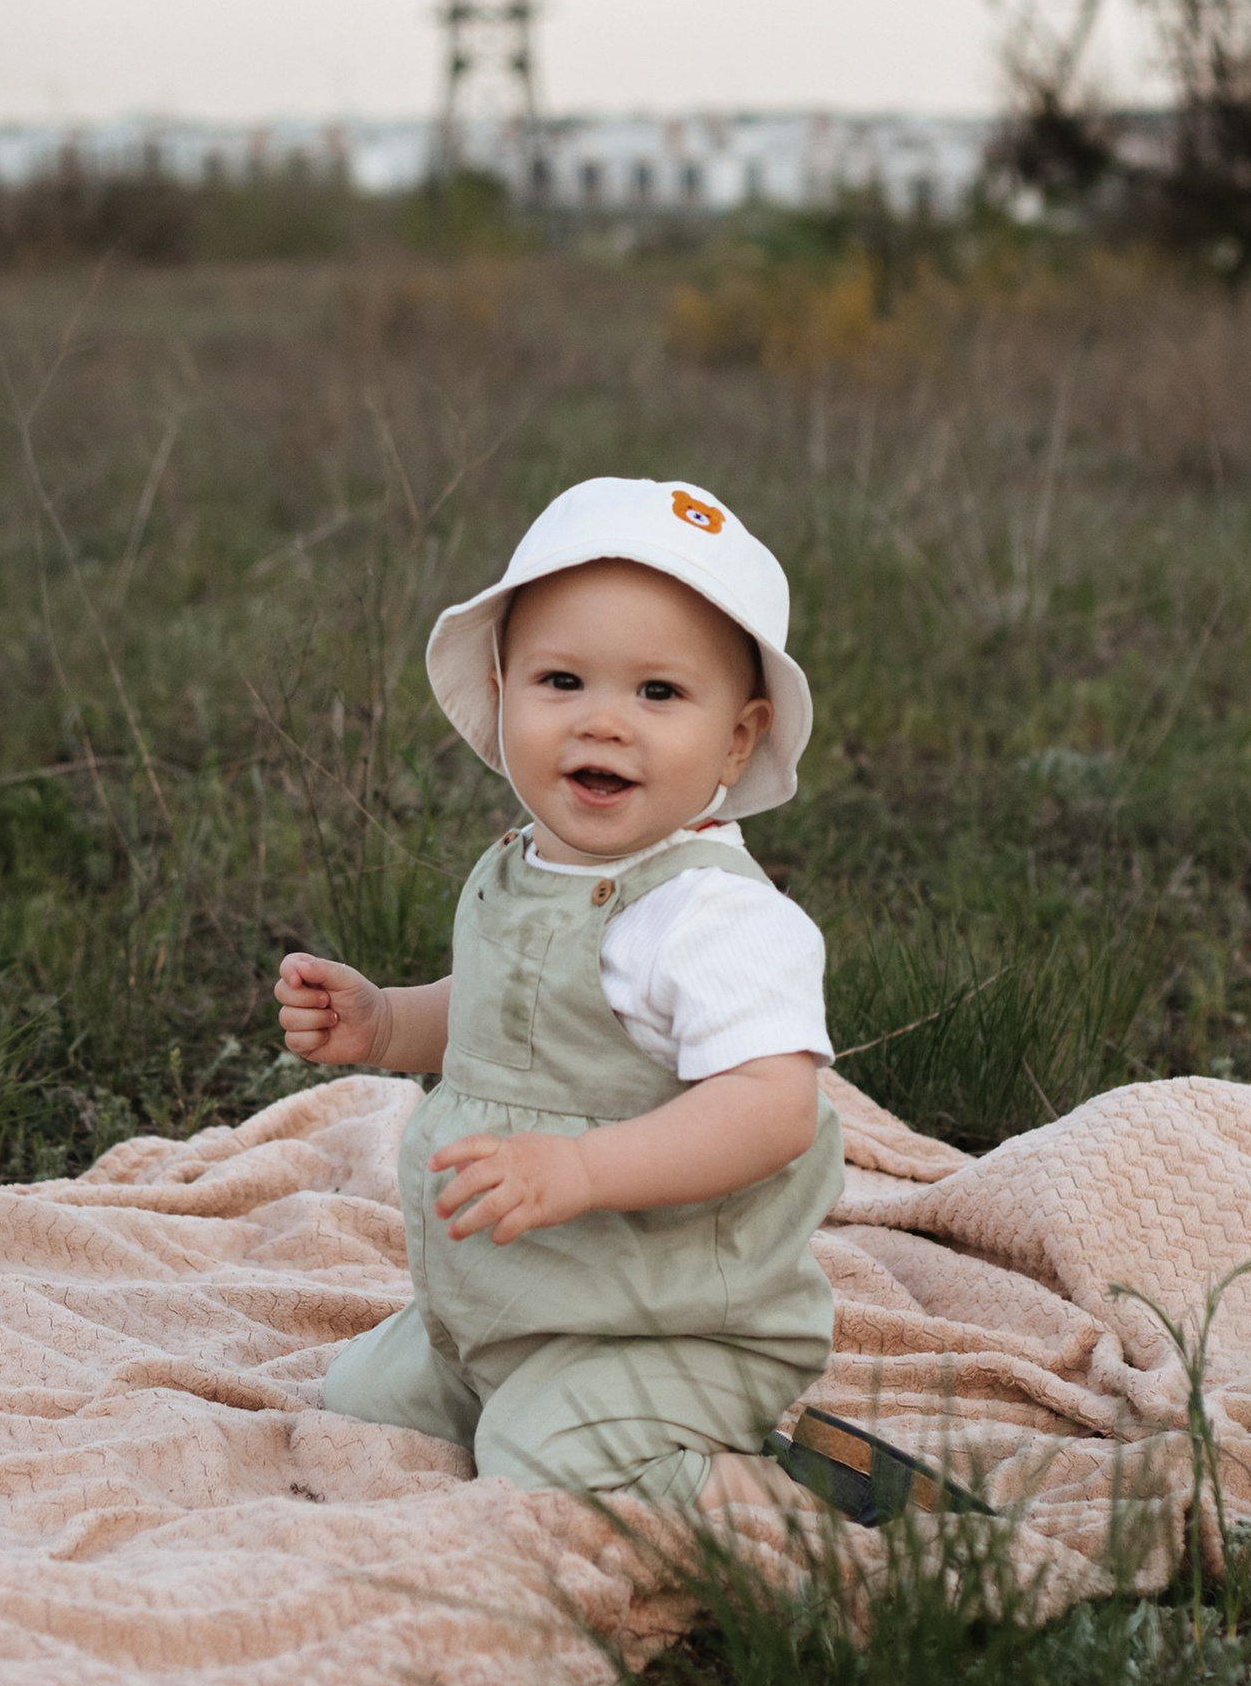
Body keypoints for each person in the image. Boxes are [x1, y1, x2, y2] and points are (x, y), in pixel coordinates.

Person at [276, 473, 840, 1510]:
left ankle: (741, 1482)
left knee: (538, 1465)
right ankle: (496, 1372)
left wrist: (583, 1167)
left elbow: (773, 1107)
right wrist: (390, 1020)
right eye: (562, 681)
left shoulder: (711, 917)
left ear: (738, 737)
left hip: (673, 1319)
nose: (602, 723)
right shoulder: (521, 863)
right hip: (509, 1296)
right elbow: (508, 1011)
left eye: (658, 692)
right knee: (354, 1399)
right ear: (503, 692)